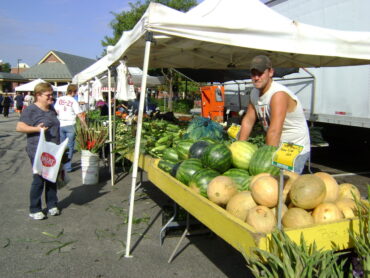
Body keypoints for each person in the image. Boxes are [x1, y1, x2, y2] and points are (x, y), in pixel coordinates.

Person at [239, 55, 310, 174]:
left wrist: (265, 161)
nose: (256, 78)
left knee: (283, 187)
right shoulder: (254, 93)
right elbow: (248, 120)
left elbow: (274, 131)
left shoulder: (278, 94)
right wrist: (239, 147)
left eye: (260, 73)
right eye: (253, 74)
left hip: (293, 148)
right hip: (276, 146)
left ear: (270, 72)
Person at [16, 82, 61, 220]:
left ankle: (52, 204)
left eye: (52, 94)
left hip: (52, 149)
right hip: (38, 150)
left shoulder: (51, 108)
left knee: (52, 177)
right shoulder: (30, 110)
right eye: (48, 95)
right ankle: (34, 208)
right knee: (39, 178)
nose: (51, 97)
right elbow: (20, 127)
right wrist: (37, 129)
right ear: (38, 95)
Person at [54, 84, 87, 172]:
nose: (76, 94)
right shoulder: (73, 101)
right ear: (73, 91)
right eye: (76, 92)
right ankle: (67, 167)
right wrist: (85, 125)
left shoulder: (59, 99)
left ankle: (61, 165)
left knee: (61, 146)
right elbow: (79, 114)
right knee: (70, 146)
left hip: (60, 124)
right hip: (70, 124)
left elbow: (56, 111)